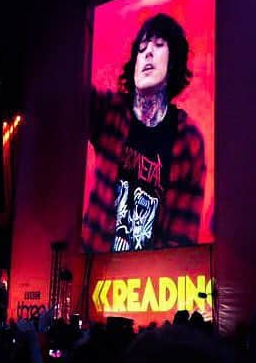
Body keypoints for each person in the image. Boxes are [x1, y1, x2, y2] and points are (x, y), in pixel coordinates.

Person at [82, 13, 207, 252]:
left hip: (151, 280)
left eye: (158, 45)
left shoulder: (188, 140)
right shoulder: (111, 111)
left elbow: (182, 241)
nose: (148, 52)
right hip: (94, 270)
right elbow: (69, 92)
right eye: (141, 48)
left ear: (173, 64)